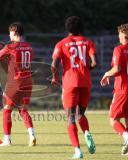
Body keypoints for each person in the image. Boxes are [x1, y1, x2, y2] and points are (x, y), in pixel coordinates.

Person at [51, 16, 97, 159]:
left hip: (70, 83)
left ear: (67, 28)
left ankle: (77, 151)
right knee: (81, 114)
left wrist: (55, 77)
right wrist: (86, 69)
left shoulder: (61, 43)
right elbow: (94, 63)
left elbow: (54, 64)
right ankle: (87, 133)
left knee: (70, 118)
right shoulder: (88, 42)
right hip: (85, 82)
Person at [100, 23, 128, 155]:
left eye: (119, 34)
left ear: (123, 35)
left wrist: (106, 74)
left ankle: (126, 137)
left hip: (123, 89)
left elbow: (117, 69)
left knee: (113, 119)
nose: (118, 36)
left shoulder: (119, 49)